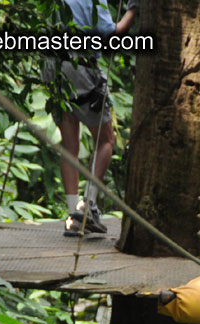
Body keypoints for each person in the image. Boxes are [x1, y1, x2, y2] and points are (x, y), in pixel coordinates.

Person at [55, 0, 140, 237]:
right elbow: (113, 33)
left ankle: (73, 214)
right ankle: (88, 205)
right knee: (105, 139)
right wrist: (133, 9)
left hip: (54, 67)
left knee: (69, 145)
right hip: (81, 68)